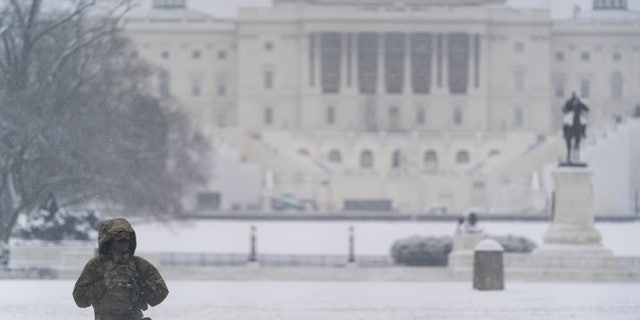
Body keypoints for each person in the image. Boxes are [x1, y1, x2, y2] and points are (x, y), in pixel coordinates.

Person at [73, 218, 168, 320]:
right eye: (118, 235)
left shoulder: (139, 265)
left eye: (126, 235)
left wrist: (140, 290)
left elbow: (162, 291)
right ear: (108, 239)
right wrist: (104, 285)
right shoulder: (96, 265)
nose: (123, 239)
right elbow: (79, 298)